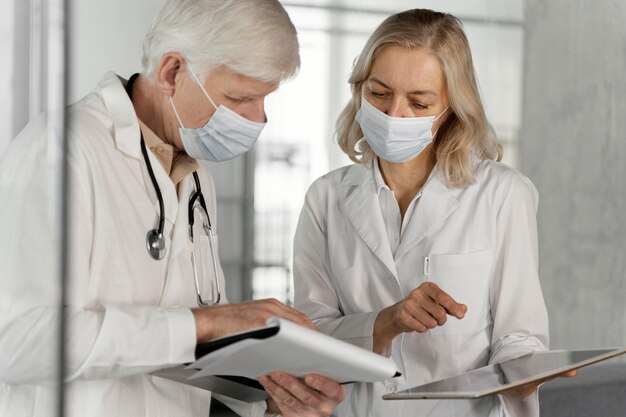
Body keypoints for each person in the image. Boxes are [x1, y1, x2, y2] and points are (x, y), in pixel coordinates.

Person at [0, 1, 344, 416]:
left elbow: (189, 363)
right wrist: (210, 323)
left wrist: (272, 396)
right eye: (241, 97)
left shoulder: (196, 179)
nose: (258, 118)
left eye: (265, 99)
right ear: (172, 72)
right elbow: (18, 340)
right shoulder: (60, 150)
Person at [293, 8, 551, 417]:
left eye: (418, 102)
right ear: (359, 88)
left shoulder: (504, 194)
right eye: (379, 93)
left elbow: (518, 335)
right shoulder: (325, 199)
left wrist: (528, 369)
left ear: (451, 107)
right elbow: (311, 340)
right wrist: (386, 322)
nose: (394, 114)